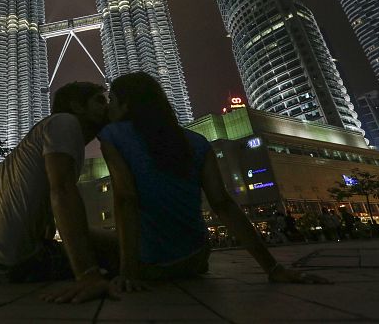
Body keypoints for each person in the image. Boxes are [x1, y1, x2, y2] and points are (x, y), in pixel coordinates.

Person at [99, 72, 329, 290]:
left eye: (112, 99)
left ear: (126, 105)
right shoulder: (197, 142)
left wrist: (128, 272)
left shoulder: (113, 135)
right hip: (195, 259)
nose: (107, 106)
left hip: (147, 265)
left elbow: (125, 198)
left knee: (86, 237)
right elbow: (223, 204)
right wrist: (273, 268)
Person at [0, 81, 119, 303]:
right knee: (121, 254)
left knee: (107, 241)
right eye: (100, 100)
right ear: (77, 106)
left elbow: (50, 213)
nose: (107, 106)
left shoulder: (55, 134)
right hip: (8, 263)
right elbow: (61, 191)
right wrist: (88, 275)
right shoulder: (65, 122)